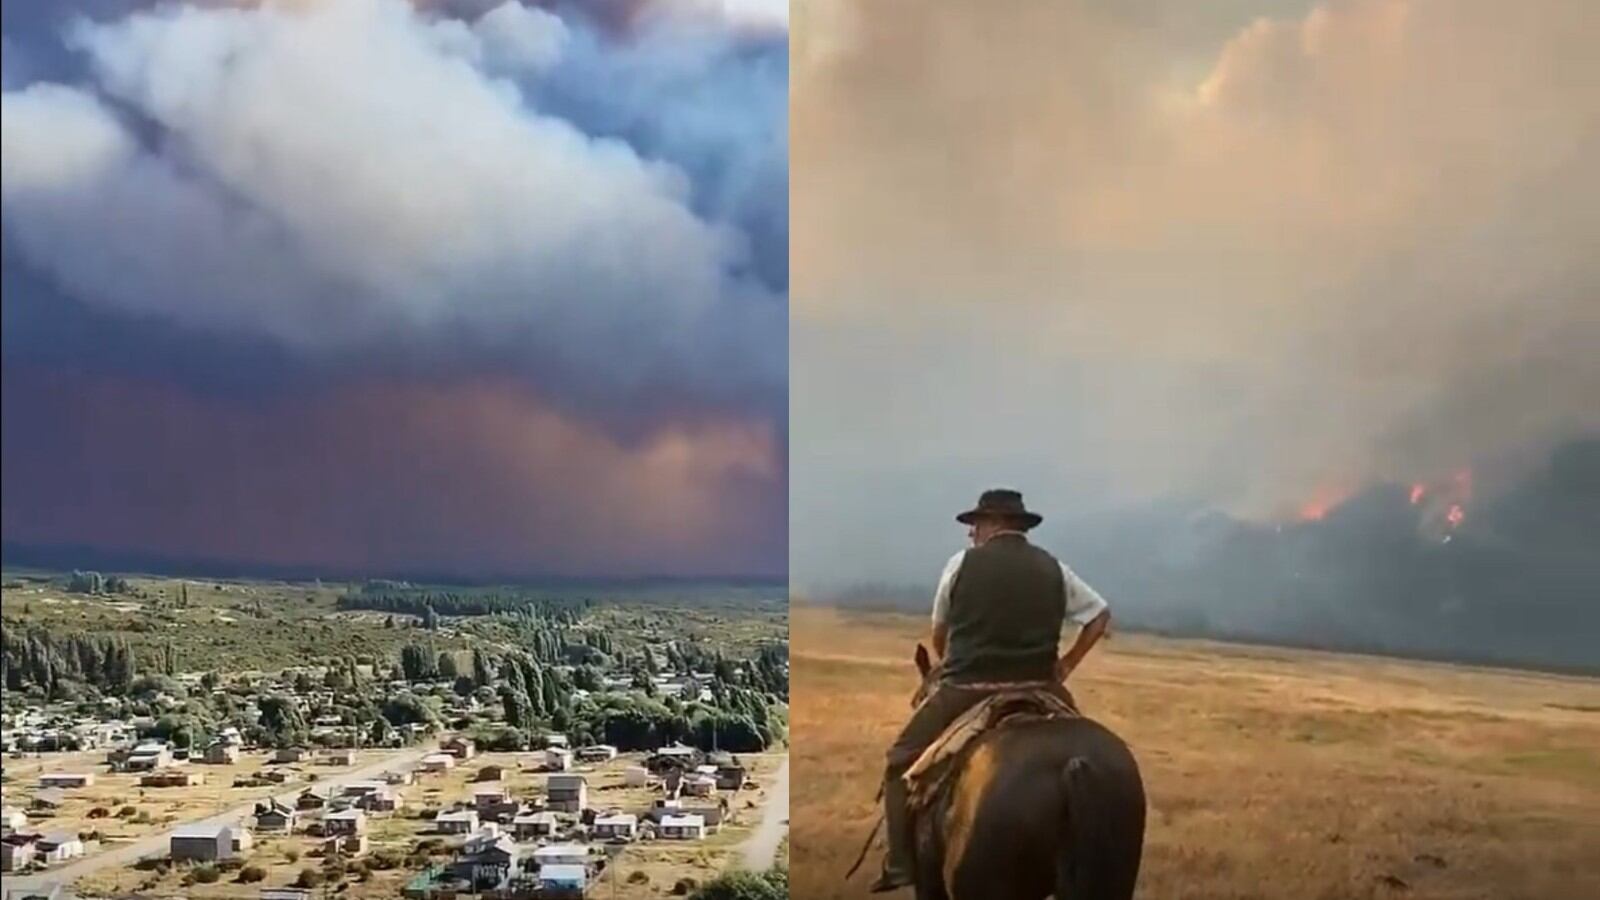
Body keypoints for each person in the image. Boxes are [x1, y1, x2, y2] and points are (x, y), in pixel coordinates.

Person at [871, 488, 1113, 893]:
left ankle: (900, 864)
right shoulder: (1054, 568)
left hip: (969, 687)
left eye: (975, 526)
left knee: (900, 760)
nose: (971, 535)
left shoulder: (961, 564)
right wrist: (1067, 664)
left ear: (992, 525)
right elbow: (1099, 616)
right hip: (1043, 686)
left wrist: (954, 662)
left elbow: (939, 633)